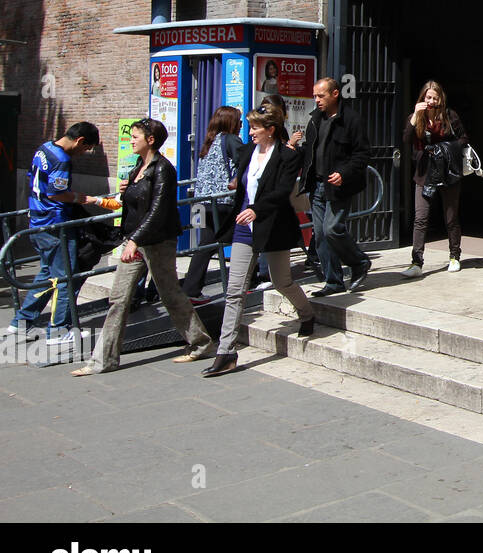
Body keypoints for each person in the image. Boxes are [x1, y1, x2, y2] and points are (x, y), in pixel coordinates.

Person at [71, 119, 214, 375]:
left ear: (150, 140)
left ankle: (201, 343)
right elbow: (137, 204)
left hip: (157, 242)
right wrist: (126, 192)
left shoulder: (163, 169)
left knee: (170, 295)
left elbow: (157, 211)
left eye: (135, 136)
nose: (131, 140)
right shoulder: (139, 166)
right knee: (118, 299)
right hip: (135, 240)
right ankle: (103, 360)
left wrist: (134, 240)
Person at [202, 106, 316, 377]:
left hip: (273, 226)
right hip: (244, 227)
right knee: (234, 290)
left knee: (281, 281)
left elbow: (280, 192)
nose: (249, 132)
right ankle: (226, 352)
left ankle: (307, 313)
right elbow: (242, 182)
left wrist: (258, 208)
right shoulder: (245, 152)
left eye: (255, 128)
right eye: (250, 127)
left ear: (271, 130)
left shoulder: (288, 156)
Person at [8, 122, 101, 344]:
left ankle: (21, 323)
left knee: (47, 274)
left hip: (37, 221)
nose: (83, 154)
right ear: (80, 141)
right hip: (55, 224)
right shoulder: (62, 159)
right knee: (65, 278)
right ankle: (59, 329)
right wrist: (85, 198)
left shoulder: (44, 148)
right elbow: (57, 194)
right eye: (86, 149)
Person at [300, 77, 372, 295]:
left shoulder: (350, 119)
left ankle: (359, 262)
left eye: (320, 95)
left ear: (335, 94)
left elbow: (362, 154)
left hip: (338, 186)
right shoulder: (315, 119)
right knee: (320, 234)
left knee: (333, 229)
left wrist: (344, 173)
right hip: (317, 185)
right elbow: (311, 150)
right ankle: (333, 281)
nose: (317, 100)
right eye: (314, 96)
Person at [401, 80, 469, 277]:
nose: (430, 101)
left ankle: (454, 256)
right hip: (424, 173)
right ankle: (416, 262)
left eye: (434, 98)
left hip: (448, 172)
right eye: (427, 97)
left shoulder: (449, 116)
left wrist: (444, 149)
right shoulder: (417, 117)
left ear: (440, 99)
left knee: (451, 218)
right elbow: (406, 139)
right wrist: (415, 117)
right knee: (420, 218)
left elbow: (463, 138)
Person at [180, 106, 243, 304]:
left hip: (201, 203)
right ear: (231, 123)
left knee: (205, 244)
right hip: (222, 202)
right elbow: (246, 162)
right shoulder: (231, 140)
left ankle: (190, 289)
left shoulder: (209, 142)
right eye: (239, 121)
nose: (241, 125)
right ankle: (246, 282)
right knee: (245, 238)